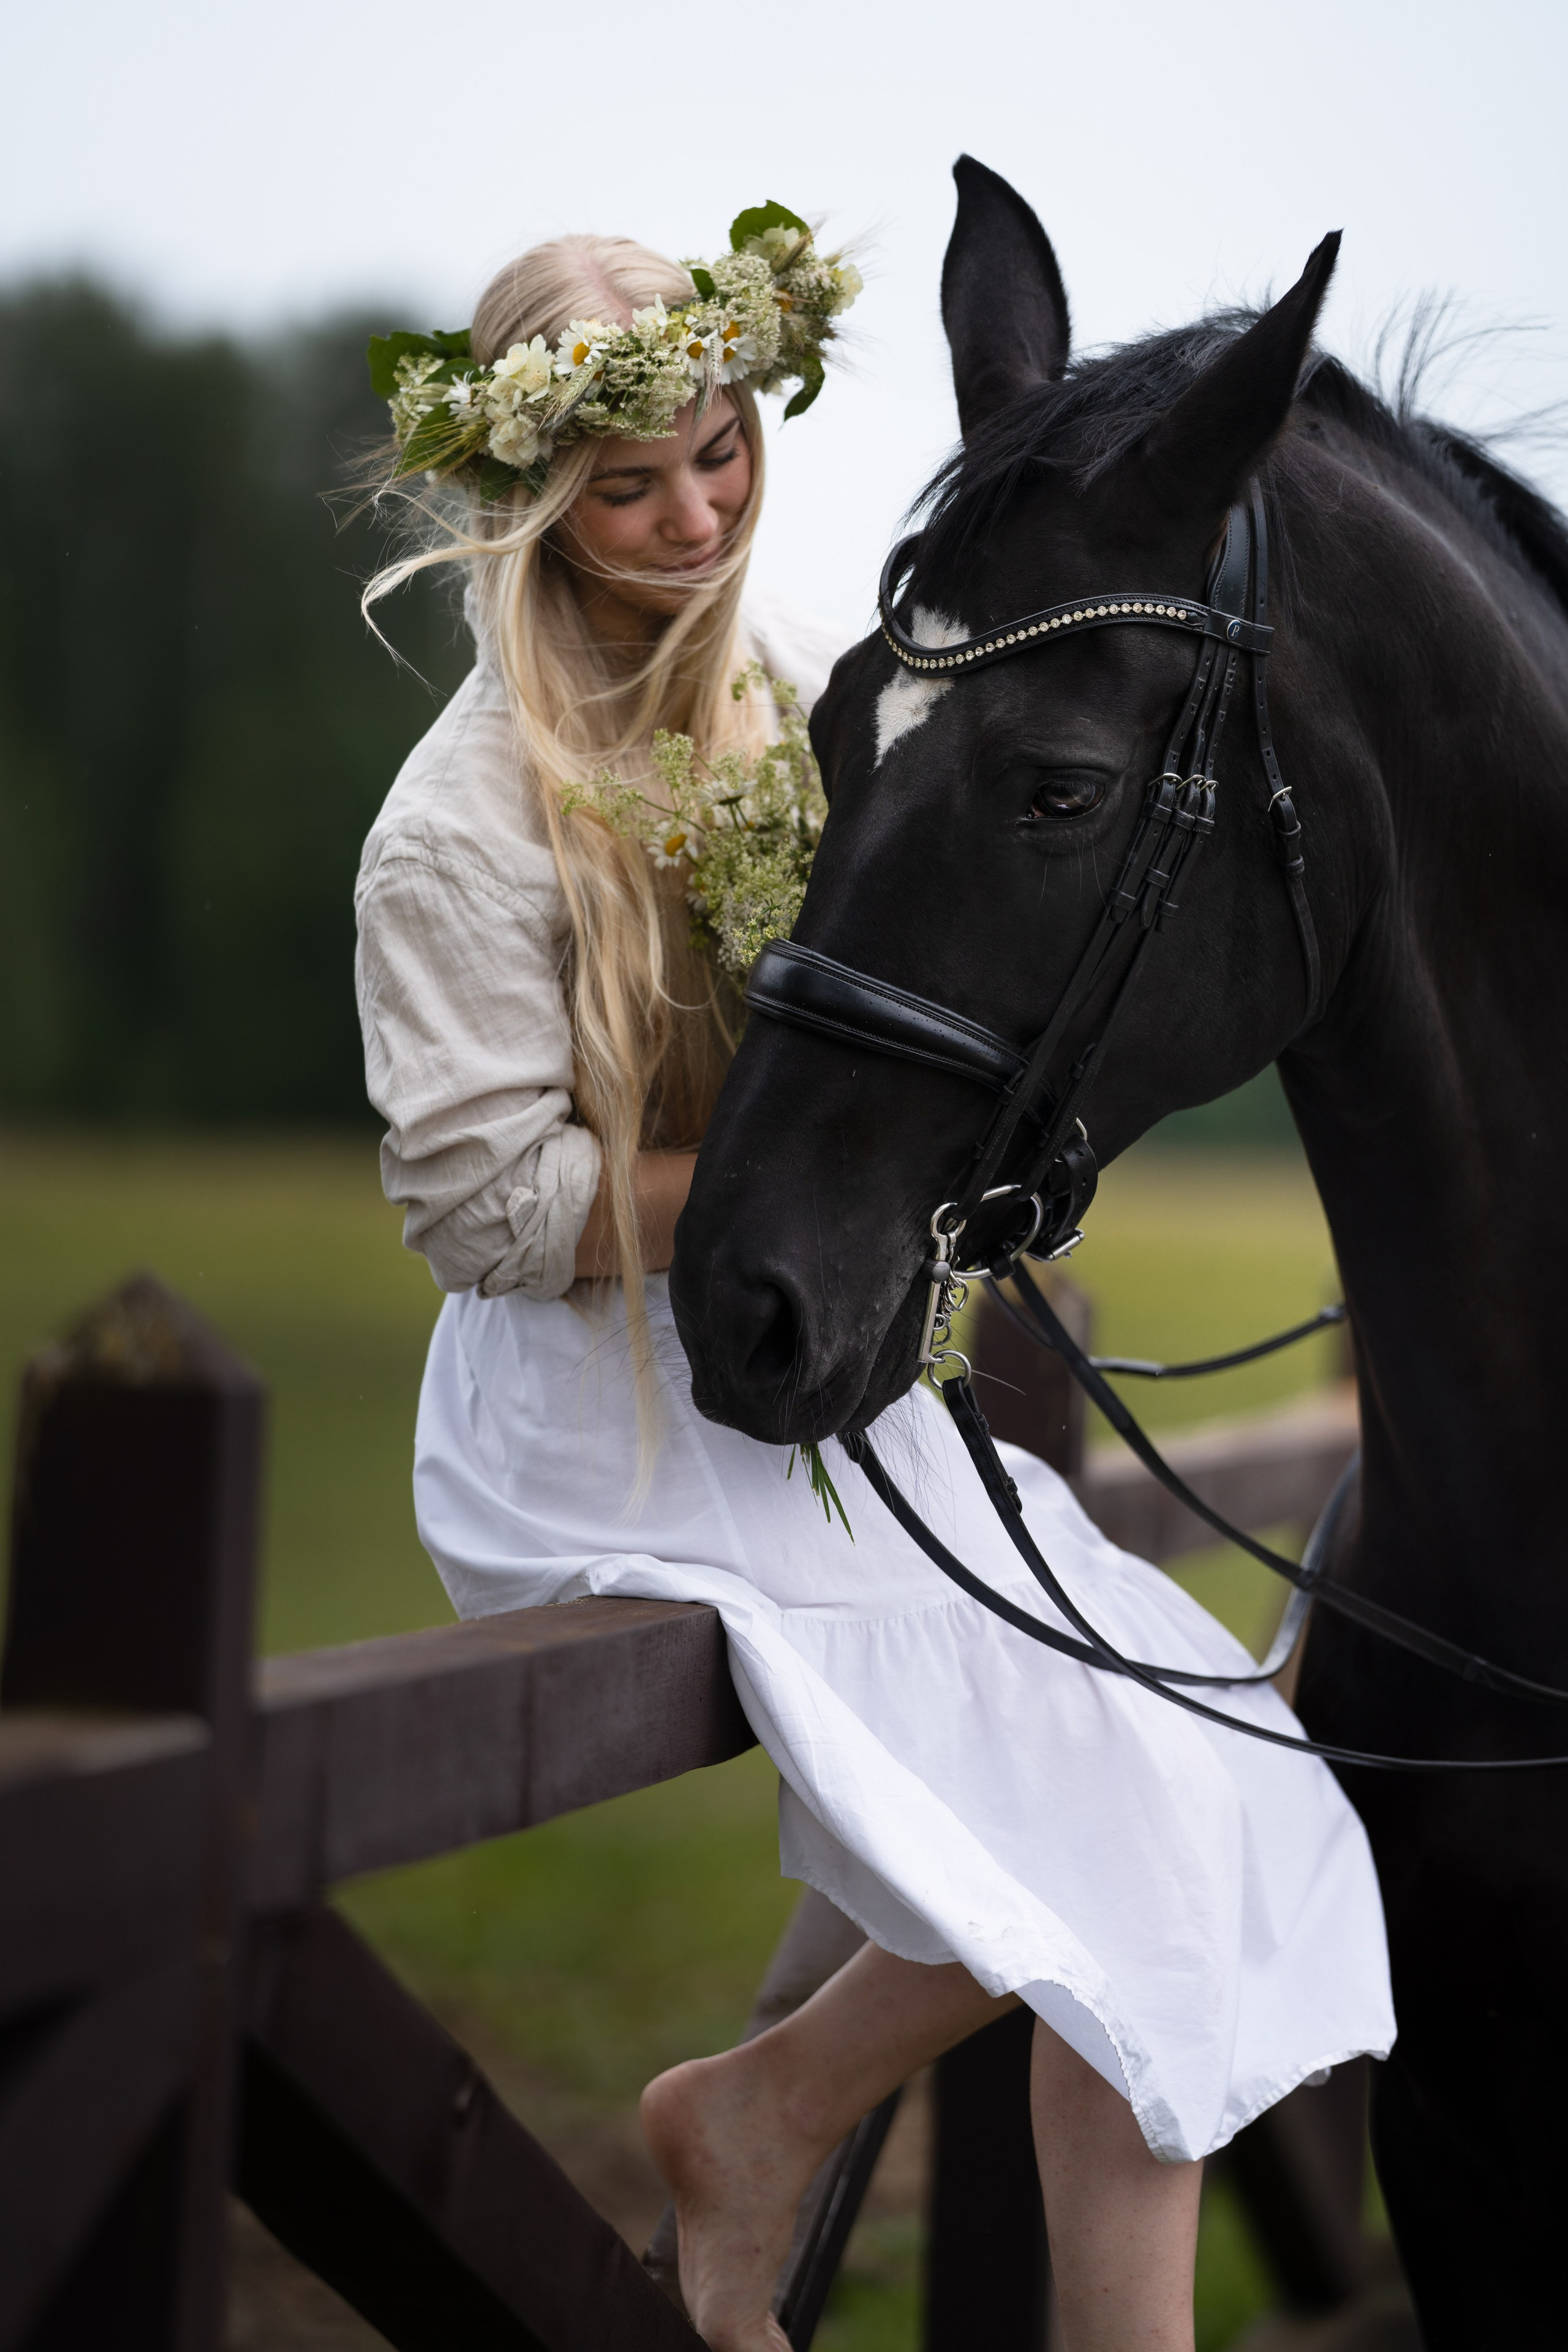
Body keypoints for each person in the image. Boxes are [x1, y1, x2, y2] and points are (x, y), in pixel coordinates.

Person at [355, 212, 1394, 2352]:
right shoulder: (454, 826)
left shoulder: (795, 687)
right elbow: (478, 1207)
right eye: (628, 485)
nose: (688, 514)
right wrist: (773, 1177)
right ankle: (756, 2114)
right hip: (601, 1421)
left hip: (811, 1370)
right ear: (535, 505)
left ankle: (769, 2109)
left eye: (719, 454)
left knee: (1219, 1795)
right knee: (1142, 1854)